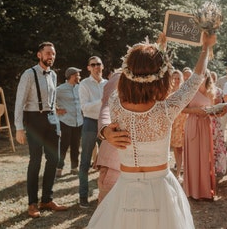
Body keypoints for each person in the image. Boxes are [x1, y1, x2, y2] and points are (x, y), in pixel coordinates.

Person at [86, 32, 217, 229]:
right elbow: (196, 79)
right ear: (161, 77)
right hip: (161, 191)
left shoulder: (115, 103)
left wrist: (159, 48)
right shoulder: (167, 108)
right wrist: (206, 47)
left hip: (126, 189)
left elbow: (145, 75)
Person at [14, 42, 67, 218]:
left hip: (52, 119)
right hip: (33, 120)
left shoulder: (53, 74)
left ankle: (47, 199)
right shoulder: (29, 74)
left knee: (54, 159)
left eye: (53, 53)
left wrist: (55, 109)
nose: (51, 56)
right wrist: (19, 127)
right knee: (35, 161)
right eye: (47, 53)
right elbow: (19, 102)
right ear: (39, 55)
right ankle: (32, 203)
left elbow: (49, 99)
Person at [78, 56, 107, 208]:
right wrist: (102, 101)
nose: (96, 67)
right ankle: (83, 196)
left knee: (107, 161)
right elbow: (85, 107)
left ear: (103, 66)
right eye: (93, 64)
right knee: (85, 161)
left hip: (105, 124)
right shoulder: (84, 84)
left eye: (99, 64)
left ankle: (104, 194)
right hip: (89, 123)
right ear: (88, 68)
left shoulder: (108, 84)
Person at [182, 69, 216, 200]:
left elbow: (212, 109)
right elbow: (182, 109)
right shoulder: (190, 92)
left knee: (204, 155)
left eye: (204, 75)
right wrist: (195, 110)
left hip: (205, 124)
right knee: (194, 155)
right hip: (193, 123)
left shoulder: (210, 92)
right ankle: (193, 190)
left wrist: (215, 111)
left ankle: (205, 189)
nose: (202, 77)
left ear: (207, 77)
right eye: (200, 75)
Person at [96, 69, 121, 203]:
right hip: (115, 154)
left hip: (141, 161)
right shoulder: (119, 77)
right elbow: (106, 106)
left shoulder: (154, 80)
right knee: (109, 203)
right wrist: (105, 129)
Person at [56, 67, 83, 177]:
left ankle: (74, 167)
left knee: (76, 145)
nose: (79, 77)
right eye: (77, 75)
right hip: (66, 121)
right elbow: (49, 99)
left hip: (78, 121)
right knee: (64, 145)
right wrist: (56, 109)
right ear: (71, 76)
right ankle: (59, 168)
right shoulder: (60, 89)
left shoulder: (80, 88)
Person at [170, 70, 187, 183]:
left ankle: (186, 172)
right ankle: (178, 173)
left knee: (186, 148)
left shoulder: (184, 92)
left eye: (178, 78)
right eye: (174, 78)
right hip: (173, 123)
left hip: (184, 121)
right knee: (177, 149)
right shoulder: (168, 92)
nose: (176, 80)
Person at [210, 71, 227, 176]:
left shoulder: (219, 91)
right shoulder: (202, 91)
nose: (211, 80)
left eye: (213, 78)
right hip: (206, 120)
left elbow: (222, 105)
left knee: (218, 143)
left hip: (217, 120)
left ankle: (218, 167)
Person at [216, 63, 227, 149]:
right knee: (222, 126)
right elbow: (215, 91)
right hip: (222, 106)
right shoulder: (221, 80)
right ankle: (221, 143)